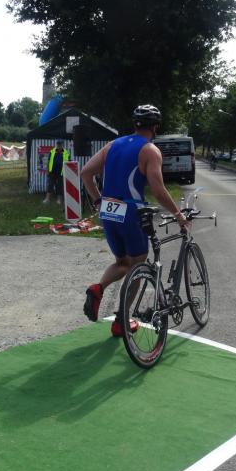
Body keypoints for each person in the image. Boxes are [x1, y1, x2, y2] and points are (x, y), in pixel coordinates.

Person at [81, 105, 189, 337]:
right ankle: (121, 320)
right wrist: (179, 215)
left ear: (134, 124)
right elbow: (158, 191)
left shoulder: (112, 145)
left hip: (108, 210)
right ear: (155, 127)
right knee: (137, 266)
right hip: (131, 211)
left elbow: (86, 173)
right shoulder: (150, 150)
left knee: (122, 262)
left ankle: (98, 288)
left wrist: (98, 201)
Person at [42, 140, 68, 204]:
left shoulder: (66, 153)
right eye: (58, 144)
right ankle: (47, 199)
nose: (59, 145)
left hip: (61, 172)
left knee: (59, 186)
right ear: (56, 144)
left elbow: (68, 162)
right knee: (50, 185)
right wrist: (47, 170)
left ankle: (59, 200)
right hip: (52, 172)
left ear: (63, 145)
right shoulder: (52, 151)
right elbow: (48, 161)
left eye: (60, 144)